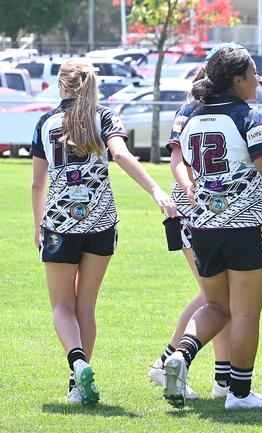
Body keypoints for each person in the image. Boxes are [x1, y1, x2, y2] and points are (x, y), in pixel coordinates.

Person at [160, 43, 262, 411]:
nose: (258, 79)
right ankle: (239, 394)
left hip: (202, 225)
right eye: (253, 73)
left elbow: (185, 165)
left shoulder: (190, 116)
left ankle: (180, 357)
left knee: (217, 305)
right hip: (247, 226)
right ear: (237, 79)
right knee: (246, 313)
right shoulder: (249, 118)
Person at [30, 59, 177, 405]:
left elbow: (38, 183)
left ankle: (76, 362)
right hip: (101, 223)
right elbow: (122, 155)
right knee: (86, 305)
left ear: (62, 84)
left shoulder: (45, 122)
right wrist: (156, 191)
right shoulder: (105, 115)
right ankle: (76, 385)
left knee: (61, 306)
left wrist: (38, 225)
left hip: (59, 224)